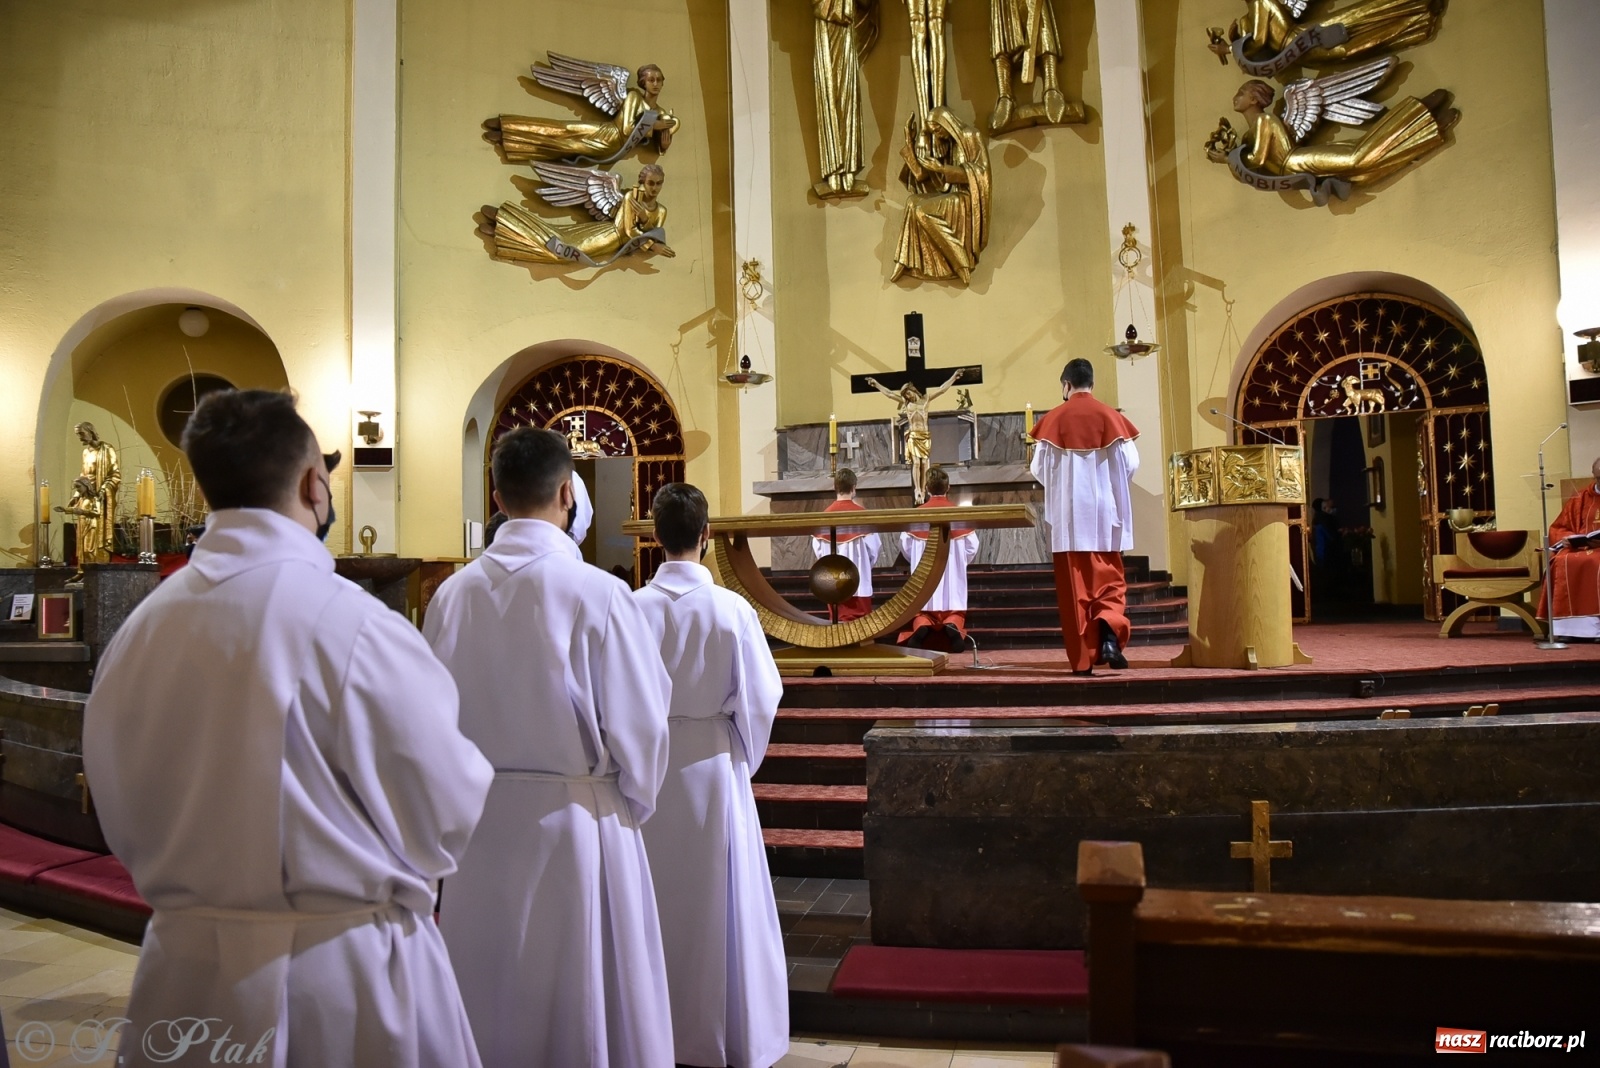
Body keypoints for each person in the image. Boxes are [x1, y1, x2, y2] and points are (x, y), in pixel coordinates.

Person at [83, 389, 493, 1068]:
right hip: (341, 977)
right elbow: (446, 808)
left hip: (186, 979)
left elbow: (116, 805)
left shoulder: (140, 632)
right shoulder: (353, 625)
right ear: (314, 484)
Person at [423, 426, 673, 1068]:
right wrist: (629, 806)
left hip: (478, 832)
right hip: (578, 822)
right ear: (568, 493)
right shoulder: (599, 593)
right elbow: (641, 725)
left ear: (498, 498)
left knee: (489, 997)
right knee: (582, 1009)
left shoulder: (450, 596)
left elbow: (431, 722)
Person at [634, 483, 789, 1068]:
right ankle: (723, 1034)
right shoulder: (732, 609)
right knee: (721, 906)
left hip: (648, 769)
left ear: (654, 536)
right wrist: (741, 757)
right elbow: (762, 696)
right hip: (713, 763)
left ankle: (653, 1033)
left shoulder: (631, 607)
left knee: (653, 901)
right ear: (707, 536)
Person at [1030, 359, 1141, 675]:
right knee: (1109, 583)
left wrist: (1065, 482)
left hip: (1069, 521)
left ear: (1066, 385)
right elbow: (1131, 464)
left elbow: (1038, 469)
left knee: (1076, 592)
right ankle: (1109, 635)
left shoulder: (1054, 419)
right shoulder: (1112, 417)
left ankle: (1083, 661)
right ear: (1091, 383)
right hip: (1105, 516)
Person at [898, 466, 980, 651]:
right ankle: (953, 626)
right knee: (955, 610)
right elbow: (971, 547)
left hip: (924, 575)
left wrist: (918, 559)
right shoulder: (961, 515)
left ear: (926, 488)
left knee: (921, 609)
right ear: (948, 487)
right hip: (952, 574)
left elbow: (906, 547)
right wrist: (959, 561)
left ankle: (922, 627)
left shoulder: (916, 516)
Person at [812, 467, 881, 622]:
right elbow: (873, 550)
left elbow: (820, 554)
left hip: (833, 583)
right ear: (853, 488)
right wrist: (864, 568)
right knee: (861, 627)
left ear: (835, 488)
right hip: (859, 582)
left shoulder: (822, 517)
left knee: (837, 626)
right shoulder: (864, 517)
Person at [1543, 456, 1600, 641]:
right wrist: (1567, 539)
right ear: (1593, 475)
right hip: (1581, 548)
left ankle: (1595, 630)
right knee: (1561, 560)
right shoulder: (1581, 498)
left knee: (1593, 561)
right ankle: (1568, 630)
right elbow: (1559, 527)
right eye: (1599, 478)